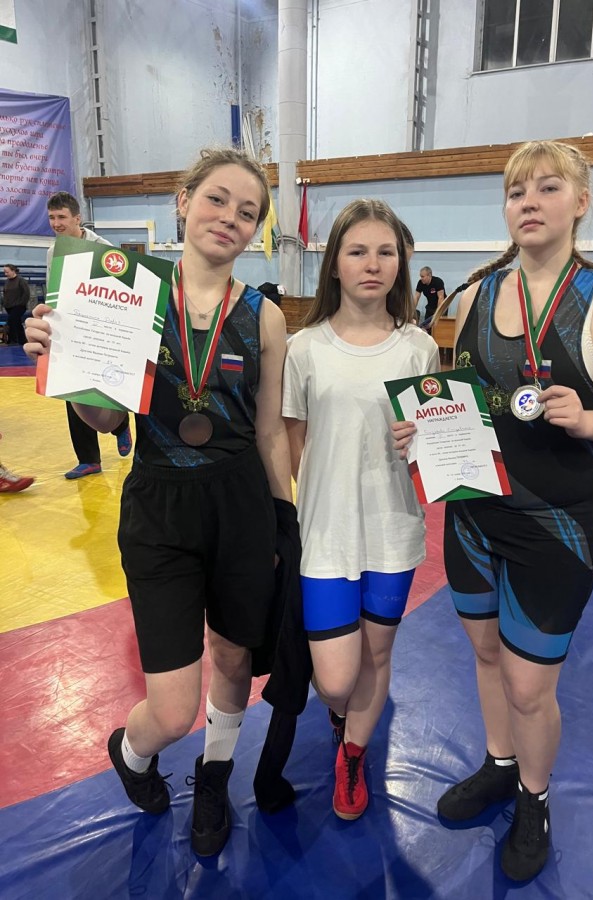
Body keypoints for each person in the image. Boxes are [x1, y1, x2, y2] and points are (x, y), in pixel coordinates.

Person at [395, 140, 593, 881]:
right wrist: (423, 429)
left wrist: (589, 419)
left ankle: (534, 797)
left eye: (548, 188)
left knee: (528, 684)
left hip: (556, 527)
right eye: (517, 191)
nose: (529, 202)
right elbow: (465, 403)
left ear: (581, 202)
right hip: (474, 517)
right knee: (485, 655)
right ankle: (499, 762)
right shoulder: (477, 295)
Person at [26, 148, 293, 857]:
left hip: (240, 504)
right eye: (216, 199)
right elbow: (107, 419)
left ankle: (215, 776)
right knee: (173, 710)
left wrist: (283, 519)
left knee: (234, 660)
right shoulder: (131, 294)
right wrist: (66, 363)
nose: (229, 218)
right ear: (183, 201)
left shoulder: (264, 317)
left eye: (247, 212)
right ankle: (131, 751)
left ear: (256, 229)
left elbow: (270, 431)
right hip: (159, 507)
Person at [283, 199, 440, 821]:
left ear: (400, 263)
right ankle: (341, 714)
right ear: (335, 264)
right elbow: (293, 445)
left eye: (385, 252)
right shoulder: (303, 348)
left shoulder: (418, 347)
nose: (372, 264)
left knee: (377, 655)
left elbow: (438, 440)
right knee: (335, 680)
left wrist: (424, 441)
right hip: (325, 535)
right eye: (357, 251)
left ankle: (352, 754)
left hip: (392, 531)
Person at [46, 191, 133, 478]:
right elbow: (54, 291)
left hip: (101, 329)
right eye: (51, 217)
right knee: (73, 391)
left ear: (77, 218)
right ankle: (89, 459)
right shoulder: (53, 252)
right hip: (69, 330)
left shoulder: (103, 249)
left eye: (61, 217)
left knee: (106, 385)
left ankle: (120, 426)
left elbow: (120, 292)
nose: (56, 223)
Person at [2, 265, 30, 346]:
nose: (5, 274)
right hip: (9, 307)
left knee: (11, 321)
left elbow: (26, 293)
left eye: (7, 272)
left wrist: (21, 303)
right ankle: (22, 340)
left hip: (19, 306)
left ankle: (13, 341)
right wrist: (4, 303)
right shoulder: (7, 282)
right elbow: (5, 293)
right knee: (17, 323)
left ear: (13, 271)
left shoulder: (21, 280)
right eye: (5, 272)